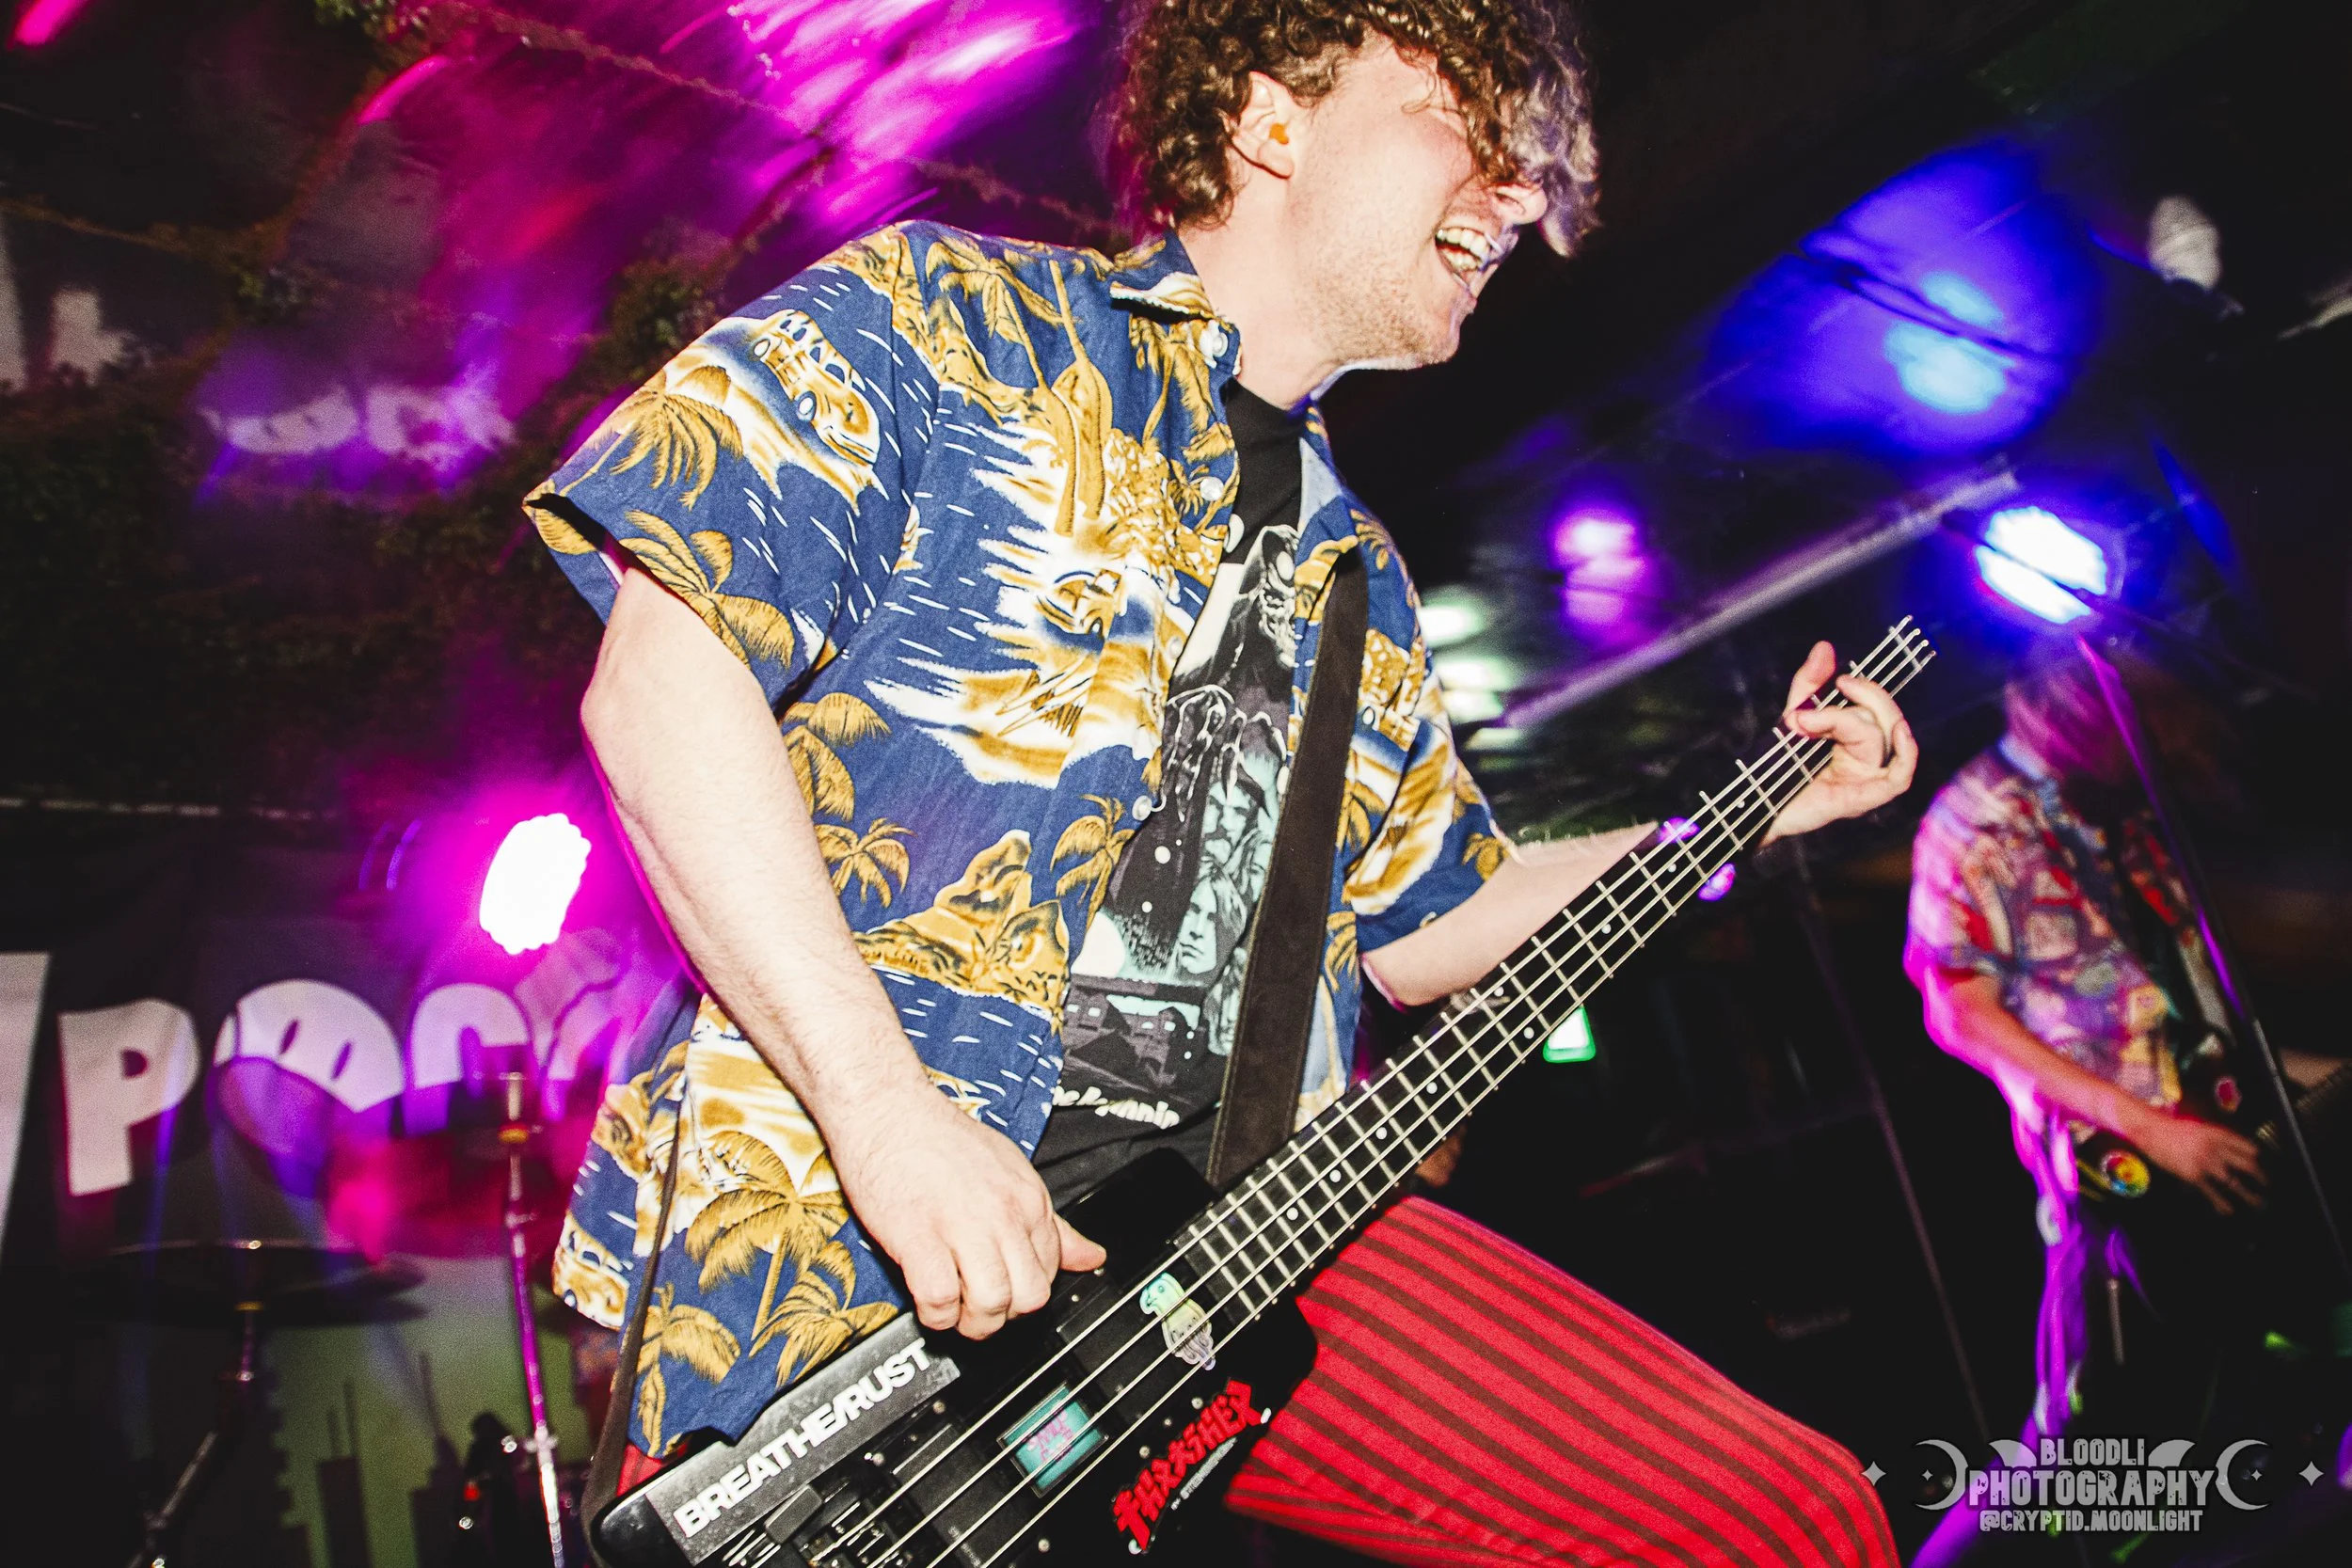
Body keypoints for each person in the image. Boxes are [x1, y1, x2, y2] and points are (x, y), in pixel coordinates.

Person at [528, 3, 1919, 1561]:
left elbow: (1438, 919)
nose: (1519, 197)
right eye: (1462, 123)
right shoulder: (948, 318)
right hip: (864, 1255)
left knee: (1790, 1518)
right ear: (1270, 121)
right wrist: (884, 1114)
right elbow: (663, 681)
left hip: (1243, 1254)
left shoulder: (1359, 581)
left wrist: (1749, 811)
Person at [1905, 643, 2332, 1565]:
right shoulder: (1974, 822)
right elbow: (1956, 1012)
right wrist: (2151, 1127)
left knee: (2271, 1374)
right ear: (2026, 693)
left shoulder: (2123, 812)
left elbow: (2183, 996)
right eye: (2085, 695)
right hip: (2119, 1174)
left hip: (2210, 1138)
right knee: (2075, 1453)